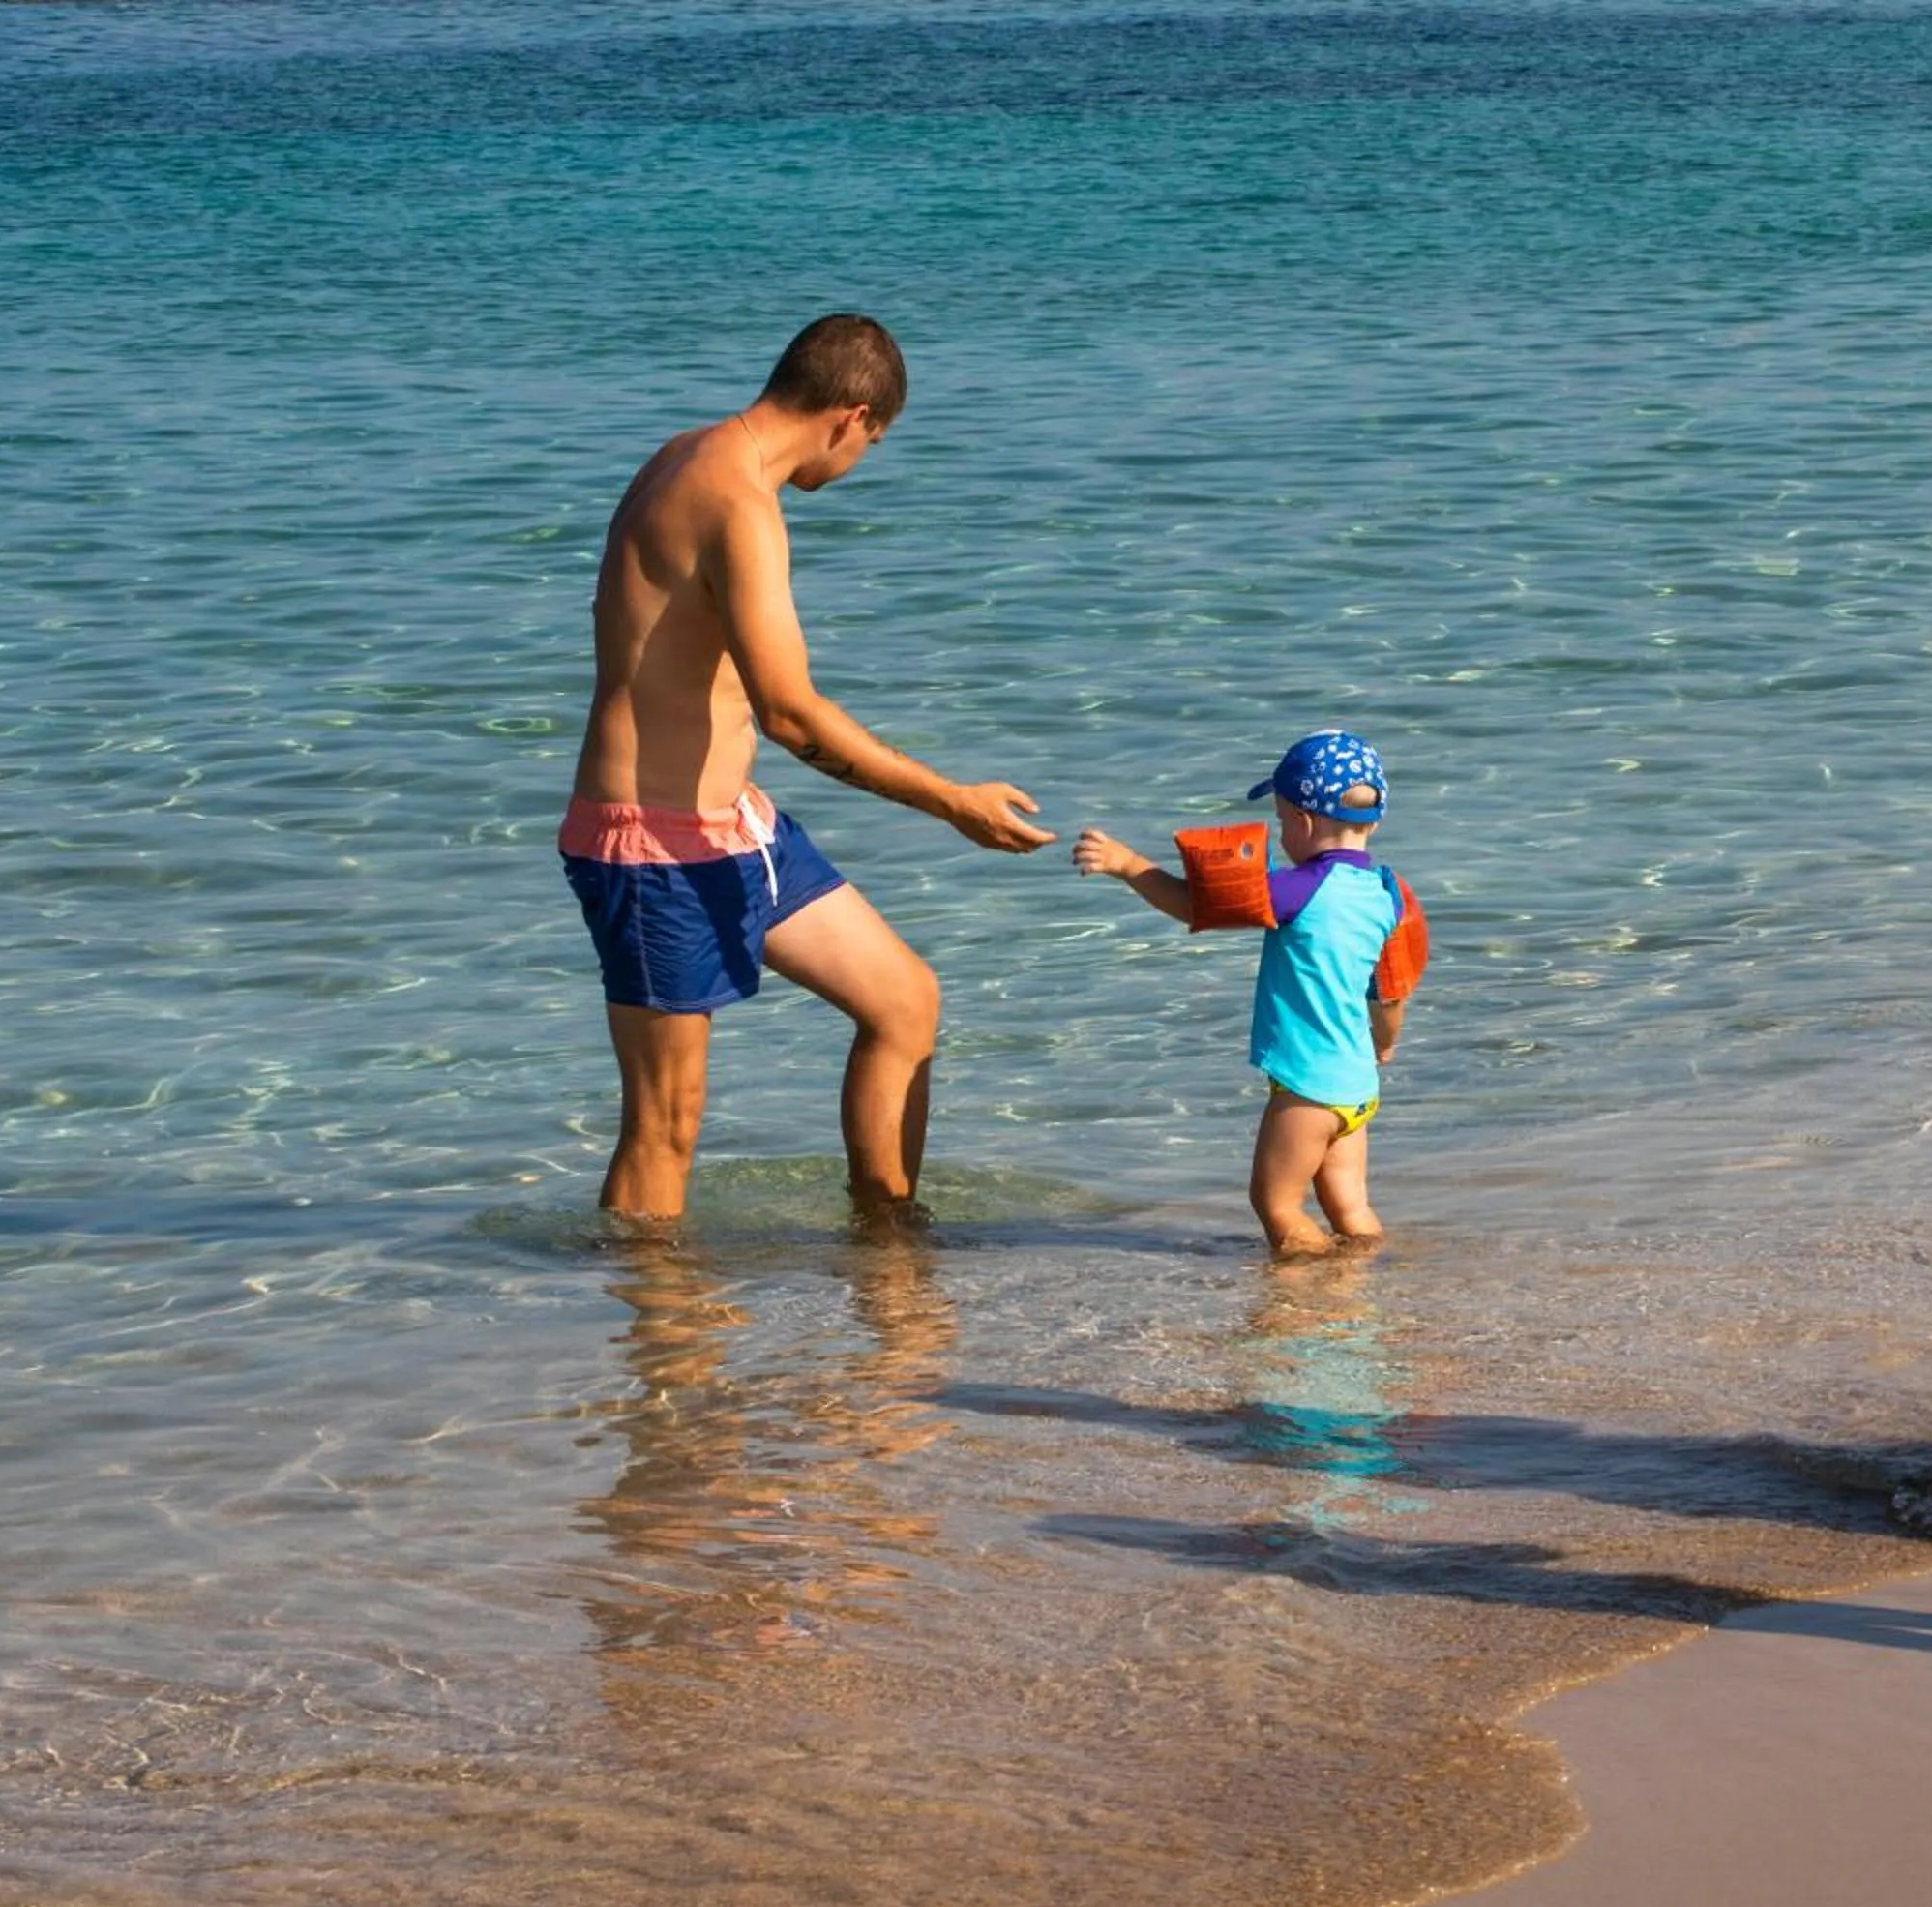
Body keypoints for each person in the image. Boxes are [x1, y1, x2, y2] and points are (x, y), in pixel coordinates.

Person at [560, 314, 1054, 1227]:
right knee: (665, 1126)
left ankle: (887, 1240)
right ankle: (657, 1314)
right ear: (850, 417)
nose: (861, 461)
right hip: (653, 846)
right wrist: (951, 802)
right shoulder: (735, 500)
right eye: (873, 443)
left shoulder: (691, 454)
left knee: (903, 1000)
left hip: (737, 825)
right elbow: (789, 714)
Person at [1072, 730, 1420, 1257]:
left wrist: (1128, 865)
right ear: (1371, 820)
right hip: (1357, 1086)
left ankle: (1311, 1288)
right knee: (1350, 1209)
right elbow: (1390, 992)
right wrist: (1385, 1042)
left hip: (1308, 1088)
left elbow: (1194, 906)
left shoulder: (1298, 889)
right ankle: (1376, 1274)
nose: (1282, 833)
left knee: (1276, 1204)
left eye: (1281, 821)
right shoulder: (1386, 894)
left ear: (1303, 820)